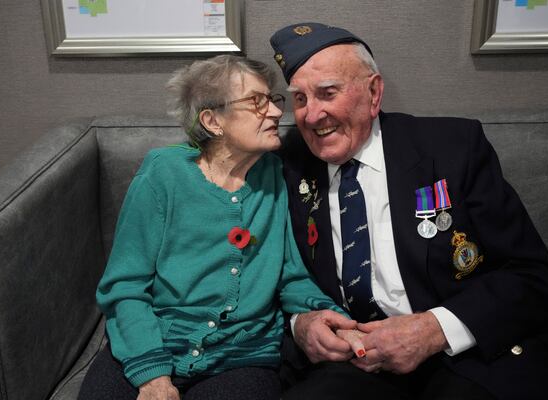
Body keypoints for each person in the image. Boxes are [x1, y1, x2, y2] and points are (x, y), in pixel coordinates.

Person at [269, 22, 548, 399]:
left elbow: (534, 277)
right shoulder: (283, 168)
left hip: (465, 353)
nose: (311, 114)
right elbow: (263, 280)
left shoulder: (452, 148)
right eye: (300, 99)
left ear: (373, 93)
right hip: (354, 364)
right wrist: (301, 324)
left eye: (327, 93)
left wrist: (433, 330)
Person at [77, 55, 355, 400]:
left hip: (241, 357)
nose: (273, 112)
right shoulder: (164, 174)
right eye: (256, 102)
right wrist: (152, 375)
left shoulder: (274, 176)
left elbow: (288, 274)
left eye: (271, 100)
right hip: (153, 342)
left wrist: (331, 316)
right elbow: (125, 285)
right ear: (212, 121)